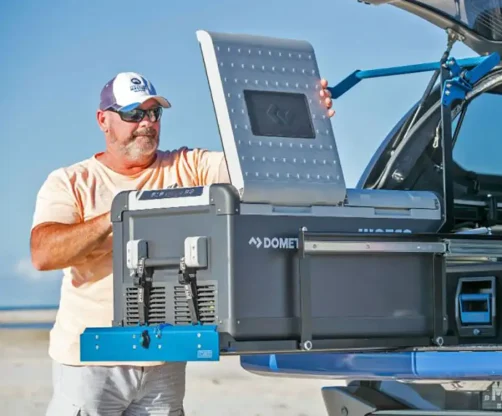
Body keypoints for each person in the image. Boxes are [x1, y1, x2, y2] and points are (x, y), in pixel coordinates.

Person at [29, 72, 335, 415]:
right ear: (104, 120)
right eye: (134, 114)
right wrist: (118, 216)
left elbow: (259, 165)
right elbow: (43, 253)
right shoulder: (72, 181)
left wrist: (305, 117)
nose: (146, 123)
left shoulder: (189, 167)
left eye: (154, 114)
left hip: (164, 358)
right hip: (92, 363)